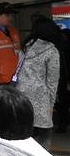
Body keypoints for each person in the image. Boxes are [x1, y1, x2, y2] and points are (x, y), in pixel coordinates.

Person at [16, 16, 62, 147]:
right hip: (41, 99)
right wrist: (51, 104)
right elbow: (52, 81)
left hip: (21, 98)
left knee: (24, 137)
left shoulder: (25, 48)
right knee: (43, 139)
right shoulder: (52, 51)